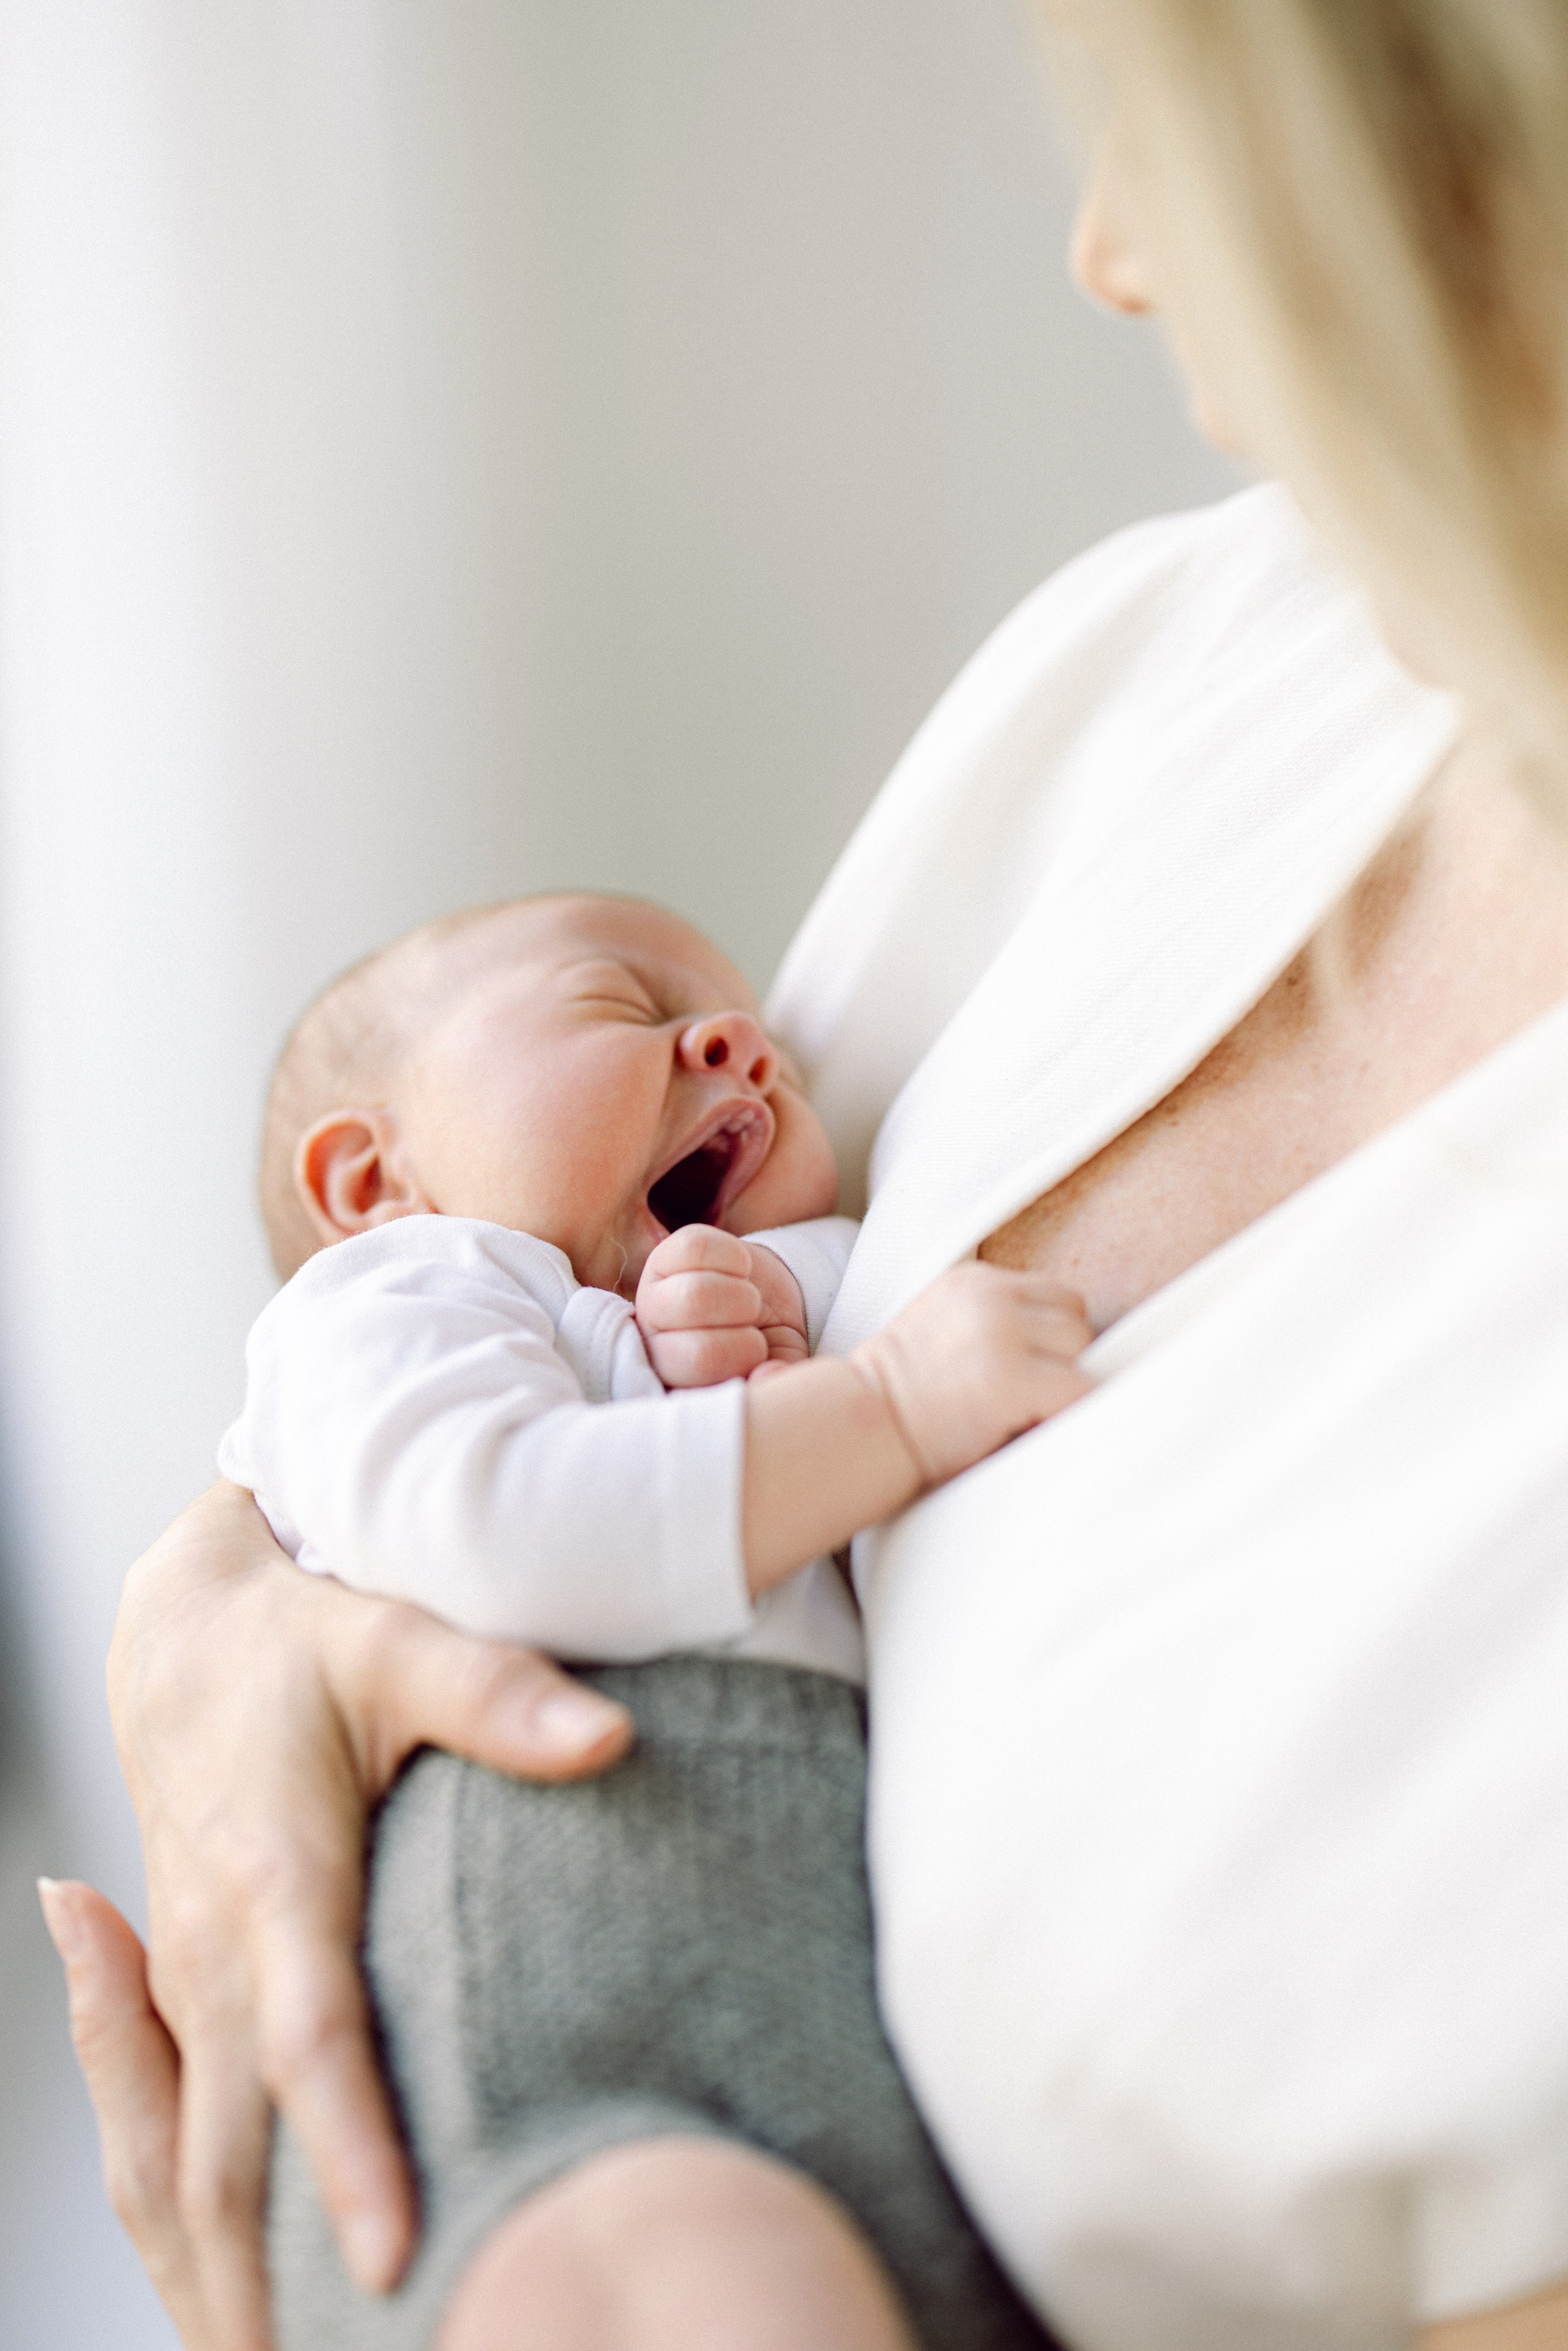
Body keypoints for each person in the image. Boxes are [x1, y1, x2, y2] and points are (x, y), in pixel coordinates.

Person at [39, 2, 1568, 2347]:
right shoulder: (1178, 658)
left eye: (1187, 125)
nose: (1113, 253)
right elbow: (466, 1427)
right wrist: (212, 1613)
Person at [221, 886, 1081, 2347]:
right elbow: (505, 1523)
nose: (740, 1039)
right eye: (623, 1005)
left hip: (828, 2041)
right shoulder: (392, 1300)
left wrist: (766, 1329)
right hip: (544, 2029)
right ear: (371, 1175)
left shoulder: (739, 1295)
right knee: (701, 2268)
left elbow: (846, 1291)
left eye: (778, 1069)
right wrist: (884, 1406)